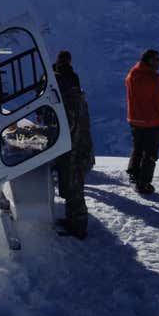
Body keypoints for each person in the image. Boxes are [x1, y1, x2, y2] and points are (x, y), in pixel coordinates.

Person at [52, 50, 95, 239]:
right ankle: (73, 220)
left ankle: (78, 227)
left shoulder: (69, 102)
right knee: (71, 186)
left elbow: (68, 128)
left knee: (74, 187)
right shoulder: (76, 95)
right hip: (77, 148)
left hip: (75, 150)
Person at [125, 49, 159, 194]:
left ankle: (133, 174)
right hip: (151, 121)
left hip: (134, 119)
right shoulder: (154, 79)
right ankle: (144, 183)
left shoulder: (131, 75)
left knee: (138, 147)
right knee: (150, 153)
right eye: (157, 60)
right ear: (150, 61)